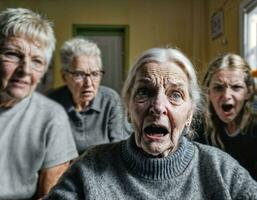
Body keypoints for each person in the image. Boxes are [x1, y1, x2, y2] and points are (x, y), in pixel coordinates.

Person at [44, 47, 257, 200]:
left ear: (190, 113)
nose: (158, 106)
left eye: (175, 95)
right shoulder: (91, 167)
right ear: (127, 107)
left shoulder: (221, 170)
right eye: (144, 92)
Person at [0, 8, 78, 199]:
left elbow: (50, 196)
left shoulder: (51, 116)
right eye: (13, 54)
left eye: (37, 61)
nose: (25, 69)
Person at [48, 37, 130, 154]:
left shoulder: (110, 100)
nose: (89, 83)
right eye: (79, 74)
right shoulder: (52, 103)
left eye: (95, 74)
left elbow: (121, 150)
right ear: (64, 76)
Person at [195, 53, 257, 180]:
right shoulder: (199, 130)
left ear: (249, 92)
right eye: (218, 88)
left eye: (236, 87)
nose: (227, 95)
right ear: (208, 92)